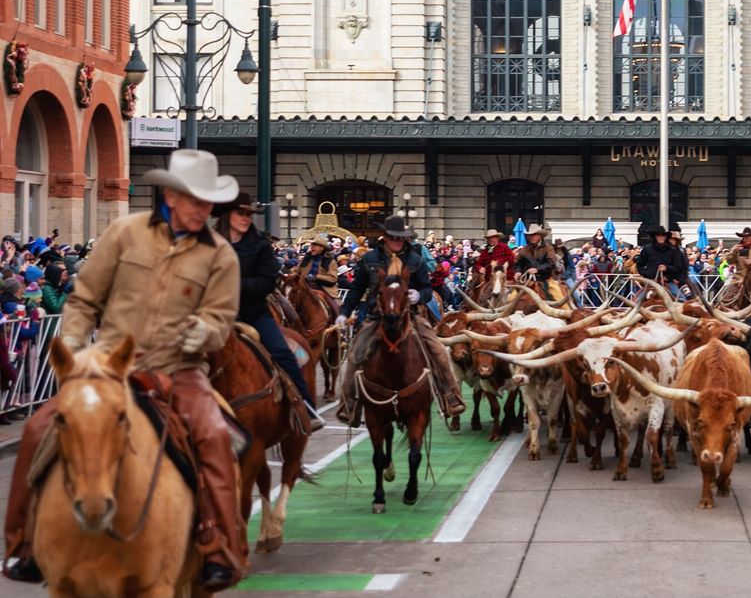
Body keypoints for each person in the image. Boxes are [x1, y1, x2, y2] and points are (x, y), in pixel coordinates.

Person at [3, 150, 247, 590]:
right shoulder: (124, 233)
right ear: (171, 195)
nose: (204, 210)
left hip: (179, 370)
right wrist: (74, 343)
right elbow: (84, 300)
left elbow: (220, 318)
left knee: (213, 435)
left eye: (210, 202)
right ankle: (23, 541)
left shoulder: (221, 256)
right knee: (41, 427)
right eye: (196, 200)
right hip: (110, 366)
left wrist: (204, 333)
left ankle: (219, 546)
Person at [334, 215, 466, 425]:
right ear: (384, 237)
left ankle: (450, 395)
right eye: (392, 237)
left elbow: (426, 288)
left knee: (438, 350)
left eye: (400, 237)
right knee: (355, 353)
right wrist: (343, 312)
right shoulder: (369, 259)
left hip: (410, 315)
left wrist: (419, 295)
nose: (396, 241)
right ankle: (349, 403)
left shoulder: (416, 260)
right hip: (377, 316)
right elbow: (357, 288)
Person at [213, 192, 322, 431]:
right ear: (226, 215)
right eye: (240, 213)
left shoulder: (260, 246)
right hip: (215, 315)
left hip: (253, 312)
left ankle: (305, 405)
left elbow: (267, 282)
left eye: (248, 214)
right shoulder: (208, 244)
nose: (245, 218)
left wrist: (234, 285)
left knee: (283, 352)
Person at [515, 224, 565, 300]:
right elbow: (518, 262)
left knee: (560, 299)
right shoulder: (524, 249)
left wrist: (537, 269)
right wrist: (518, 271)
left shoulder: (548, 248)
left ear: (540, 236)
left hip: (546, 280)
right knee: (510, 299)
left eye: (534, 235)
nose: (531, 237)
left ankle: (570, 311)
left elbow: (551, 263)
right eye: (530, 235)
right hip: (528, 282)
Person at [636, 226, 688, 299]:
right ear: (655, 237)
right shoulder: (647, 249)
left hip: (668, 282)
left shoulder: (673, 250)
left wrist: (667, 268)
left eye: (663, 235)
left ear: (666, 237)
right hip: (651, 282)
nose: (661, 237)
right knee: (637, 301)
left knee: (682, 299)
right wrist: (648, 275)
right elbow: (639, 264)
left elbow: (678, 266)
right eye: (658, 235)